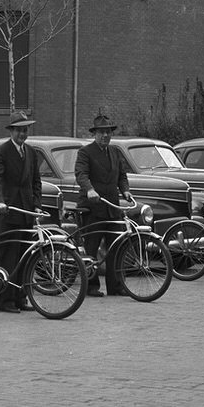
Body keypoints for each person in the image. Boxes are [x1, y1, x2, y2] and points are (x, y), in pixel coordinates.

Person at [0, 110, 42, 313]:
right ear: (11, 131)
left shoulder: (31, 153)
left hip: (26, 212)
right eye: (19, 130)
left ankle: (20, 298)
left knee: (24, 257)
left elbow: (36, 181)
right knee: (9, 257)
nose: (23, 134)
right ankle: (6, 301)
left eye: (25, 130)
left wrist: (37, 205)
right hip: (8, 212)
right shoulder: (1, 152)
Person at [74, 113, 131, 297]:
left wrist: (126, 190)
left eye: (107, 132)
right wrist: (89, 189)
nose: (105, 136)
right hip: (93, 207)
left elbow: (122, 175)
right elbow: (81, 174)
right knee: (92, 247)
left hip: (112, 206)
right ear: (95, 134)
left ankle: (115, 286)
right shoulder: (85, 152)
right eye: (101, 132)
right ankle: (91, 286)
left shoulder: (115, 151)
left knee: (115, 246)